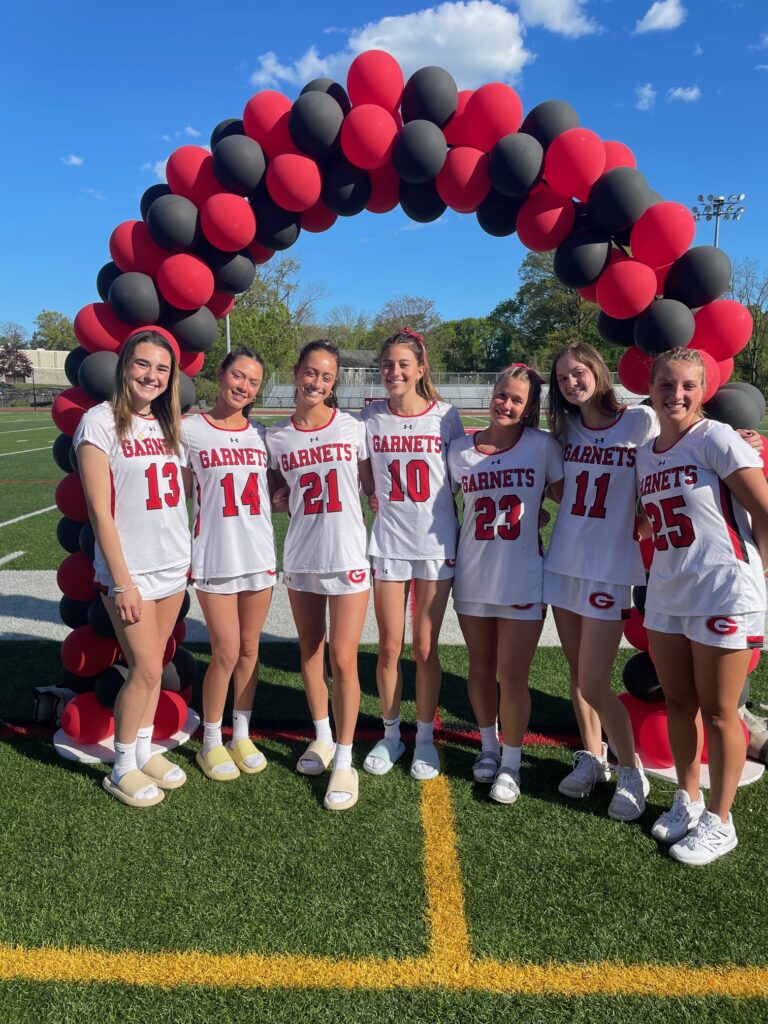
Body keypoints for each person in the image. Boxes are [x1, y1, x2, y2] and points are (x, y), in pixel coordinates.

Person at [638, 348, 768, 865]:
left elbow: (762, 508)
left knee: (719, 712)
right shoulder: (646, 452)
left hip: (722, 589)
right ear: (650, 389)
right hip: (670, 587)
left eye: (688, 385)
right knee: (677, 703)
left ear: (704, 390)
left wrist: (760, 572)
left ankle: (721, 820)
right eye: (666, 385)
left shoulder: (715, 436)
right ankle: (688, 799)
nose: (676, 395)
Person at [74, 330, 190, 807]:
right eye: (143, 365)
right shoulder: (98, 423)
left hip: (172, 565)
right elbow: (100, 512)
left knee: (156, 666)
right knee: (143, 667)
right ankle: (121, 765)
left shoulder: (167, 425)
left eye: (162, 369)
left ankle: (142, 750)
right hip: (132, 572)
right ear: (125, 366)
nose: (152, 376)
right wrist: (121, 581)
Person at [544, 341, 657, 821]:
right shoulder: (564, 428)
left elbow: (674, 457)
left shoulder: (639, 421)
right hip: (564, 560)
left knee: (594, 680)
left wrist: (643, 522)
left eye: (579, 372)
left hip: (609, 567)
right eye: (564, 377)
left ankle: (631, 770)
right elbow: (554, 486)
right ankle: (593, 758)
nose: (572, 382)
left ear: (598, 370)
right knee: (577, 675)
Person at [448, 364, 563, 804]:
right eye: (502, 395)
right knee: (479, 667)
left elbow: (568, 496)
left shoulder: (542, 446)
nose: (507, 404)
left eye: (517, 399)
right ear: (492, 394)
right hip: (473, 574)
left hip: (523, 577)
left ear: (529, 406)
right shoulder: (459, 451)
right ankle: (489, 748)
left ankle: (512, 763)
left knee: (513, 675)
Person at [266, 340, 370, 811]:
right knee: (309, 650)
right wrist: (278, 499)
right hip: (302, 555)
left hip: (347, 554)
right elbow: (272, 492)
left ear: (335, 382)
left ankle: (345, 758)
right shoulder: (276, 438)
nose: (317, 382)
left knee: (343, 659)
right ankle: (323, 736)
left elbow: (372, 485)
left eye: (327, 377)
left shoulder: (353, 428)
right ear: (297, 371)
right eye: (311, 372)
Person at [359, 330, 464, 780]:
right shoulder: (369, 417)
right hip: (388, 544)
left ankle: (424, 737)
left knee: (424, 647)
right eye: (387, 364)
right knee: (387, 646)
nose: (394, 372)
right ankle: (390, 734)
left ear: (421, 369)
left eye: (403, 364)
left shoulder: (446, 416)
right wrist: (372, 494)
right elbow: (363, 474)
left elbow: (467, 477)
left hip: (435, 545)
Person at [181, 347, 276, 782]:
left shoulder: (263, 434)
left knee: (250, 650)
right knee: (224, 652)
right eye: (238, 376)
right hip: (216, 554)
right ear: (220, 375)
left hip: (257, 553)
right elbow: (180, 495)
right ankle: (211, 740)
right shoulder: (190, 431)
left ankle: (241, 732)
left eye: (253, 382)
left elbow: (276, 489)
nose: (243, 387)